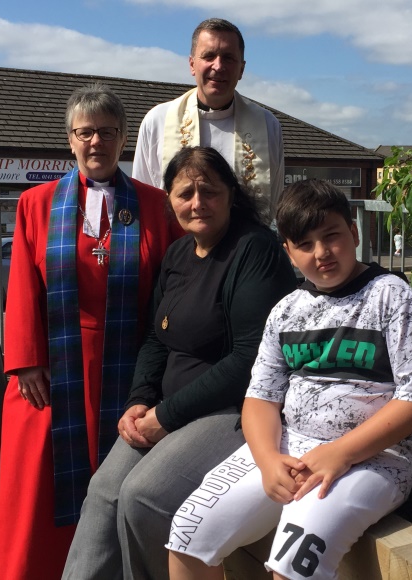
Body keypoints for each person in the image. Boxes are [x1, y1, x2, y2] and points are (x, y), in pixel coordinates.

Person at [167, 179, 412, 580]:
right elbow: (260, 398)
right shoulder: (286, 311)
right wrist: (266, 461)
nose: (321, 253)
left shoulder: (392, 297)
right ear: (289, 254)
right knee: (187, 535)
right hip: (287, 449)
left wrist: (341, 453)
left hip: (374, 460)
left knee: (294, 564)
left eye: (331, 236)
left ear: (353, 232)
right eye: (305, 244)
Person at [63, 146, 297, 579]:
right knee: (104, 492)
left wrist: (165, 416)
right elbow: (157, 336)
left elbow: (251, 358)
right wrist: (139, 398)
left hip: (234, 409)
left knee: (144, 497)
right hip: (169, 407)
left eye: (208, 191)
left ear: (231, 193)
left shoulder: (254, 248)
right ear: (168, 200)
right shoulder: (178, 254)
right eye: (184, 192)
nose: (197, 202)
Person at [0, 83, 183, 580]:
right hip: (55, 364)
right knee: (41, 478)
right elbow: (22, 286)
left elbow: (175, 287)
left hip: (129, 364)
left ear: (123, 139)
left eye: (106, 131)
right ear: (70, 139)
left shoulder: (156, 205)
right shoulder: (35, 203)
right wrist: (27, 359)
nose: (95, 142)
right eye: (84, 133)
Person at [132, 18, 284, 222]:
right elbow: (143, 200)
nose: (218, 66)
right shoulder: (158, 121)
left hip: (247, 249)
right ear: (192, 64)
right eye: (209, 56)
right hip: (177, 249)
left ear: (241, 69)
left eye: (228, 58)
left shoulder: (267, 125)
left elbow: (275, 203)